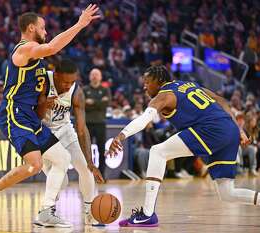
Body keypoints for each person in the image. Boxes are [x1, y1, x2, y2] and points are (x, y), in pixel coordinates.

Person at [0, 5, 100, 227]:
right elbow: (52, 47)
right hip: (14, 113)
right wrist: (80, 24)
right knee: (34, 165)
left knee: (63, 159)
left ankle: (46, 212)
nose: (46, 32)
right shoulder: (23, 50)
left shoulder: (35, 55)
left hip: (30, 116)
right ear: (31, 28)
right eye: (43, 28)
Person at [108, 65, 259, 227]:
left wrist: (121, 135)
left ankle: (147, 214)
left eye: (147, 82)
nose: (144, 86)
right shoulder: (188, 85)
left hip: (212, 128)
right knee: (227, 193)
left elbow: (144, 119)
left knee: (157, 152)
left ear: (159, 81)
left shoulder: (163, 96)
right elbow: (221, 101)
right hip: (229, 130)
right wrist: (239, 130)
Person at [35, 59, 105, 226]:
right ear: (56, 76)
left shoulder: (77, 92)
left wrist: (90, 161)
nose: (68, 86)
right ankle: (45, 212)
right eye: (65, 82)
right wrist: (44, 105)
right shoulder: (43, 81)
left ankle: (90, 212)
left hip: (65, 131)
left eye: (72, 81)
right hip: (43, 133)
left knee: (86, 170)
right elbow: (34, 116)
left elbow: (81, 129)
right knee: (62, 182)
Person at [83, 68, 111, 177]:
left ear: (100, 77)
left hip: (100, 123)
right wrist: (99, 102)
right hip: (88, 123)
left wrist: (92, 102)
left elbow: (106, 104)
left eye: (97, 75)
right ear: (90, 76)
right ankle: (86, 175)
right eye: (93, 74)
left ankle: (102, 174)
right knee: (86, 150)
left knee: (101, 150)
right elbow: (84, 105)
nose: (94, 76)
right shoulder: (84, 89)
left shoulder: (105, 90)